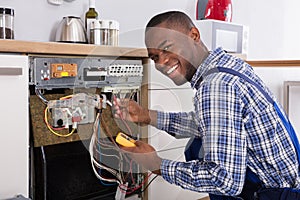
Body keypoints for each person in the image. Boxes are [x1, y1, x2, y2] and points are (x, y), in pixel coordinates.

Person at [113, 11, 300, 199]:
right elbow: (211, 125)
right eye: (154, 57)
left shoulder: (216, 86)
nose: (162, 62)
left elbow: (224, 181)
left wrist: (157, 164)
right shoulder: (226, 64)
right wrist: (147, 115)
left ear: (194, 35)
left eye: (167, 48)